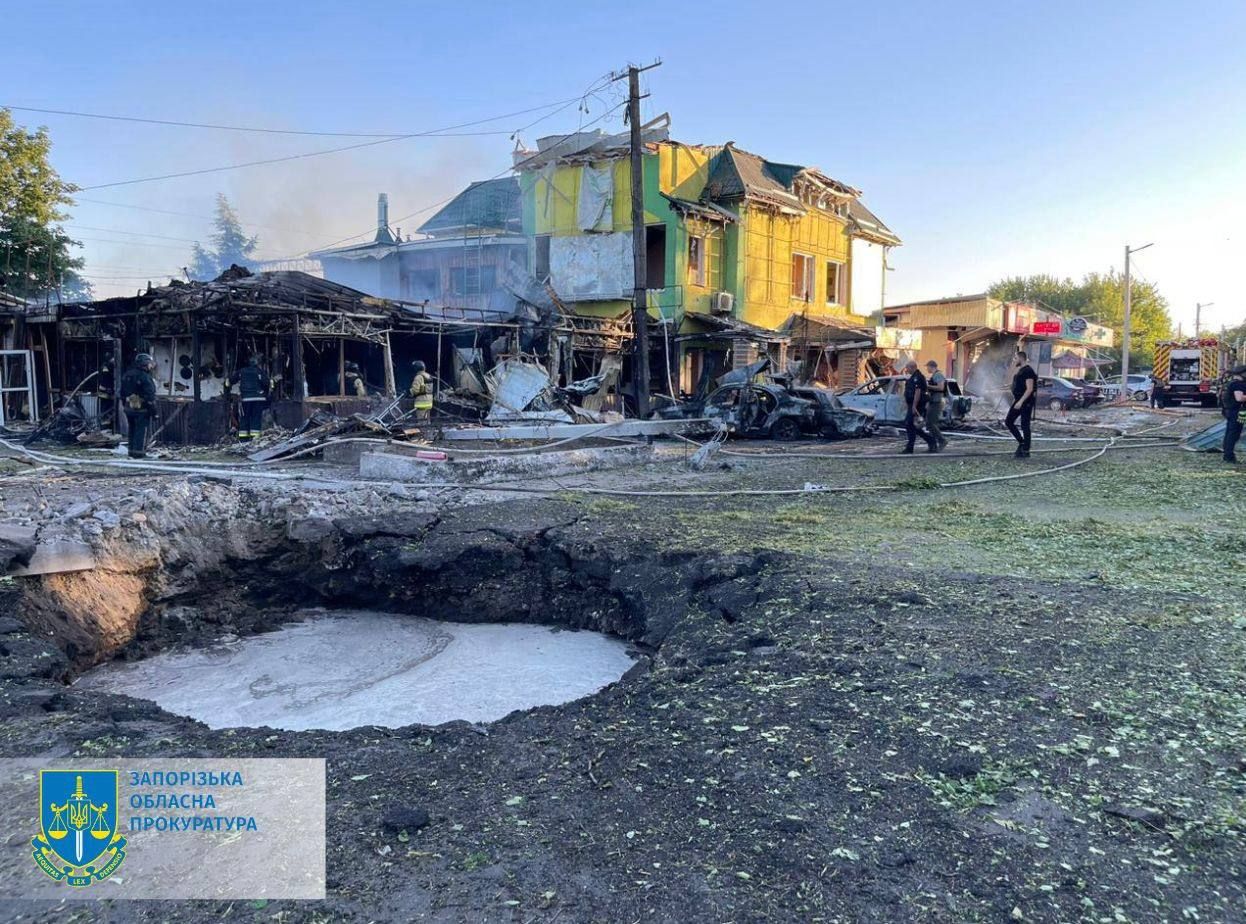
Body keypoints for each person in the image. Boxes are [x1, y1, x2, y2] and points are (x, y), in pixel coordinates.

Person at [118, 353, 157, 459]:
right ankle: (139, 453)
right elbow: (150, 396)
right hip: (142, 409)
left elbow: (121, 392)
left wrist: (125, 404)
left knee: (132, 429)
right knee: (141, 431)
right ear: (145, 364)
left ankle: (131, 451)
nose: (151, 366)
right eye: (149, 363)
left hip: (128, 408)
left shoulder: (127, 374)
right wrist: (154, 411)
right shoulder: (145, 377)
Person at [1005, 351, 1038, 458]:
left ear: (1021, 358)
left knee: (1025, 425)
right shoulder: (1021, 370)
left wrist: (1020, 402)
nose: (1014, 360)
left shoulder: (1028, 371)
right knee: (1009, 421)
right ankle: (1022, 442)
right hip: (1018, 399)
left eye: (1015, 358)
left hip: (1026, 401)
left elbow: (1029, 389)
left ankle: (1025, 450)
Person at [901, 360, 937, 454]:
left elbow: (918, 392)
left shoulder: (918, 377)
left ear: (912, 367)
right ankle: (930, 441)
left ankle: (912, 447)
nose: (906, 369)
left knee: (910, 424)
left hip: (917, 405)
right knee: (912, 426)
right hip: (912, 405)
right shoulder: (912, 377)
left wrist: (914, 406)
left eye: (907, 367)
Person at [237, 355, 268, 440]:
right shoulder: (259, 372)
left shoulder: (241, 371)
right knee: (255, 418)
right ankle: (255, 438)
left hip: (245, 399)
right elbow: (266, 382)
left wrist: (227, 384)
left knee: (244, 417)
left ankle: (243, 438)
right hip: (258, 399)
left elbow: (231, 380)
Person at [1221, 364, 1246, 464]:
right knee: (1234, 433)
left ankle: (1227, 454)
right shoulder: (1238, 384)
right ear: (1242, 373)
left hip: (1233, 411)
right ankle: (1229, 456)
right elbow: (1239, 398)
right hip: (1236, 411)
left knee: (1231, 432)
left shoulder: (1231, 383)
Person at [924, 359, 949, 450]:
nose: (927, 369)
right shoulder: (935, 375)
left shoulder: (938, 375)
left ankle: (942, 440)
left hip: (937, 401)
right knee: (929, 423)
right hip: (933, 401)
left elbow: (941, 387)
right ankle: (933, 445)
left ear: (932, 367)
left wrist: (927, 386)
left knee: (931, 423)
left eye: (927, 367)